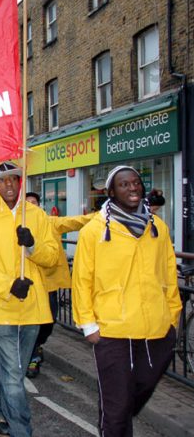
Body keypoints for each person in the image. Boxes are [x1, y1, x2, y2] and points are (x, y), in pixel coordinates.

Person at [72, 165, 181, 437]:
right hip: (111, 331)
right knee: (118, 406)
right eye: (124, 184)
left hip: (156, 329)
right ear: (111, 191)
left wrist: (173, 318)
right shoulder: (93, 231)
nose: (133, 188)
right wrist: (88, 324)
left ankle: (111, 414)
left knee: (131, 396)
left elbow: (169, 273)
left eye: (136, 183)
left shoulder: (158, 227)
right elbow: (82, 280)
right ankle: (113, 421)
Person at [0, 161, 58, 437]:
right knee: (12, 376)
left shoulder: (36, 215)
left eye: (14, 179)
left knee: (14, 375)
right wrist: (8, 285)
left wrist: (32, 245)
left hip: (32, 308)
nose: (9, 185)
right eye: (3, 180)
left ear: (21, 182)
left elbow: (53, 257)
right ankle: (22, 430)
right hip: (1, 307)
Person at [24, 192, 93, 379]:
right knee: (32, 322)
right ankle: (31, 354)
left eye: (34, 202)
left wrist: (101, 215)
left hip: (50, 284)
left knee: (49, 321)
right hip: (29, 285)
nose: (32, 205)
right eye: (28, 203)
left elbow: (75, 221)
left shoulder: (50, 223)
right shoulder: (19, 225)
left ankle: (36, 346)